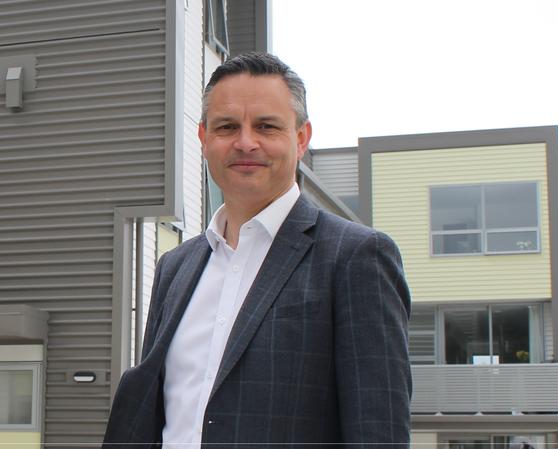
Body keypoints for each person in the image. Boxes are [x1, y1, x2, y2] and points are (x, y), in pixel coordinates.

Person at [102, 52, 412, 448]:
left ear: (301, 138)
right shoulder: (175, 268)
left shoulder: (356, 257)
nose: (246, 142)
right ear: (203, 138)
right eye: (227, 126)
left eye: (266, 126)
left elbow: (378, 433)